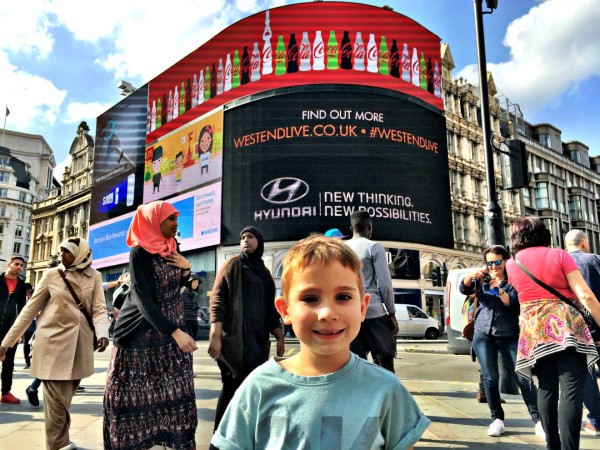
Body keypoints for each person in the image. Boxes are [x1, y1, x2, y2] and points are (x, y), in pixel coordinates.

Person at [210, 235, 431, 449]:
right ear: (285, 311)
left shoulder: (387, 389)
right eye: (310, 298)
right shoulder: (257, 387)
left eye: (343, 297)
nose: (327, 313)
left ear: (363, 308)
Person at [103, 201, 198, 450]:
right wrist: (176, 331)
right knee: (131, 408)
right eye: (171, 219)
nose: (177, 223)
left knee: (176, 403)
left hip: (167, 339)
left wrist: (187, 270)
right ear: (154, 221)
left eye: (177, 218)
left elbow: (178, 288)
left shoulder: (171, 248)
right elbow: (143, 299)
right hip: (139, 338)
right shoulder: (139, 253)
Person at [0, 238, 110, 450]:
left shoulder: (94, 275)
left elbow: (98, 307)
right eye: (60, 250)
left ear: (79, 254)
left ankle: (62, 442)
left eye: (66, 251)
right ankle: (59, 446)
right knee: (57, 402)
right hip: (52, 344)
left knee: (62, 402)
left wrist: (103, 333)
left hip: (80, 345)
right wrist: (7, 342)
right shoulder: (52, 275)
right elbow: (29, 310)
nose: (61, 255)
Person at [506, 216, 600, 450]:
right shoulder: (559, 255)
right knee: (571, 391)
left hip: (534, 332)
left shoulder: (512, 263)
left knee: (546, 386)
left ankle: (553, 446)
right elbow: (585, 296)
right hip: (566, 328)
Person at [459, 245, 543, 438]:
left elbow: (511, 301)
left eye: (498, 262)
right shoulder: (481, 280)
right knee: (490, 378)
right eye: (490, 263)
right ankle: (497, 419)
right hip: (483, 333)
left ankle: (538, 420)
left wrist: (498, 290)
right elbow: (464, 289)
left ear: (506, 261)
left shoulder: (514, 280)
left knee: (523, 376)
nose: (494, 266)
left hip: (509, 334)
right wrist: (472, 276)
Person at [208, 226, 285, 431]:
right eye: (242, 237)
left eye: (250, 237)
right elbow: (218, 300)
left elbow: (270, 309)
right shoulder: (232, 265)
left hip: (257, 342)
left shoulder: (265, 274)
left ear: (259, 241)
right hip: (235, 341)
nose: (245, 240)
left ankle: (242, 433)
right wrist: (215, 334)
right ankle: (219, 436)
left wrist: (279, 335)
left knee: (251, 388)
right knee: (231, 386)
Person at [345, 210, 399, 372]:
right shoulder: (374, 247)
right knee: (385, 359)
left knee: (355, 363)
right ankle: (388, 394)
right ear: (369, 227)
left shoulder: (342, 248)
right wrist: (391, 312)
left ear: (351, 228)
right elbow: (384, 284)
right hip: (373, 311)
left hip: (350, 312)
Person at [565, 229, 600, 436]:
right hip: (598, 321)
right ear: (584, 243)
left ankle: (596, 420)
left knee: (585, 373)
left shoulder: (559, 264)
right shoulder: (595, 259)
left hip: (575, 327)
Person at [0, 255, 27, 404]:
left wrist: (20, 330)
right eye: (16, 264)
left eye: (21, 265)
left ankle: (6, 392)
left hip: (11, 327)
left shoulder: (21, 285)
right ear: (9, 264)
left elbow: (23, 308)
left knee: (9, 361)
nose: (19, 267)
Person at [181, 273, 202, 339]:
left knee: (193, 342)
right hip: (186, 321)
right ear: (190, 283)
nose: (196, 284)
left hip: (194, 321)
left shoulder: (195, 294)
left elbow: (195, 308)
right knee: (189, 342)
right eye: (194, 282)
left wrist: (198, 313)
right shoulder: (184, 294)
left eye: (197, 282)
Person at [22, 283, 34, 369]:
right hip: (27, 323)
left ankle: (34, 362)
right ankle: (27, 362)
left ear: (29, 290)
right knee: (26, 344)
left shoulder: (37, 295)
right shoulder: (25, 298)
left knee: (35, 344)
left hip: (36, 322)